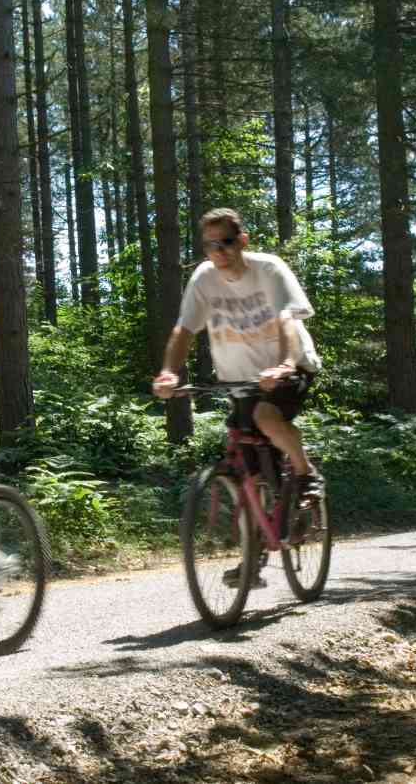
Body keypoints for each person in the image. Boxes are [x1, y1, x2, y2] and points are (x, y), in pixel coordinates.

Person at [153, 208, 324, 587]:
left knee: (267, 417)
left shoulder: (269, 269)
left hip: (291, 367)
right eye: (211, 244)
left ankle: (305, 472)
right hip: (240, 379)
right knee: (248, 469)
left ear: (242, 240)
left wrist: (283, 364)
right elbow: (184, 330)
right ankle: (253, 560)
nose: (219, 251)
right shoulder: (203, 278)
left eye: (227, 242)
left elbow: (285, 319)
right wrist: (169, 372)